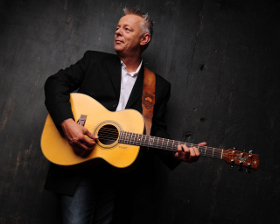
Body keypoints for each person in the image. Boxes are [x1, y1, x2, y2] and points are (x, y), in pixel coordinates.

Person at [44, 7, 205, 224]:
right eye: (117, 28)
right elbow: (55, 83)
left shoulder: (158, 86)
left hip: (119, 176)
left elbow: (154, 129)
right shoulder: (94, 61)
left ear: (144, 39)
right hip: (78, 165)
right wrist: (68, 123)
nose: (118, 32)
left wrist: (175, 155)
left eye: (127, 29)